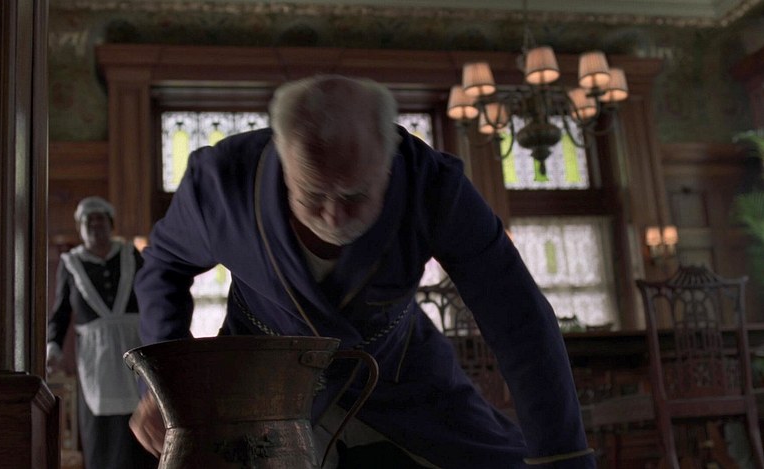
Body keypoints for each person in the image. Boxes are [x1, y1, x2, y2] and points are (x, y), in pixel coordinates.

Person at [131, 75, 595, 468]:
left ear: (389, 160)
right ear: (283, 159)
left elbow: (519, 319)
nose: (333, 216)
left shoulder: (433, 186)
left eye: (354, 196)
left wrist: (561, 456)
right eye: (312, 195)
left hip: (401, 375)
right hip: (257, 387)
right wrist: (168, 387)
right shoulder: (221, 183)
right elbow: (164, 266)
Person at [46, 196, 158, 469]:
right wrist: (53, 346)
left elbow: (153, 295)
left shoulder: (131, 255)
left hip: (134, 346)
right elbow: (61, 312)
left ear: (111, 224)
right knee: (102, 432)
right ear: (80, 228)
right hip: (96, 357)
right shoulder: (71, 263)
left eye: (101, 220)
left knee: (141, 417)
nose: (95, 226)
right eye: (89, 221)